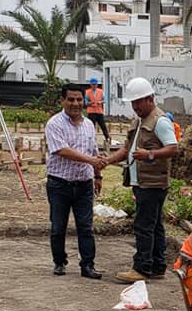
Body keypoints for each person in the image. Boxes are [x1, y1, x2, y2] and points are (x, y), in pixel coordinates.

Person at [104, 77, 179, 283]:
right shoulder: (138, 121)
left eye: (138, 102)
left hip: (152, 183)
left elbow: (173, 148)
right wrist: (108, 160)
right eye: (133, 103)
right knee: (154, 226)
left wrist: (150, 154)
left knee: (144, 226)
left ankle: (142, 268)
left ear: (150, 99)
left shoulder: (160, 121)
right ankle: (157, 266)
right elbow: (127, 148)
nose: (135, 107)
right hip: (142, 182)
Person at [44, 82, 107, 279]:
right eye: (70, 99)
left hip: (84, 185)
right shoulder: (54, 124)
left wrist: (97, 175)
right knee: (58, 227)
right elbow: (61, 150)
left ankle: (87, 265)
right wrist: (91, 161)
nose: (75, 103)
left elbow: (93, 151)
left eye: (79, 99)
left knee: (85, 227)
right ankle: (59, 262)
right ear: (62, 101)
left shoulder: (89, 125)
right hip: (59, 184)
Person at [85, 78, 111, 150]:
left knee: (103, 125)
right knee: (91, 127)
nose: (94, 86)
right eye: (93, 84)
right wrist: (90, 103)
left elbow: (104, 100)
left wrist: (100, 102)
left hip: (99, 111)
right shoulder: (87, 92)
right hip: (91, 112)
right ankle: (91, 140)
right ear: (90, 85)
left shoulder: (100, 91)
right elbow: (86, 102)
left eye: (95, 84)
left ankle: (107, 138)